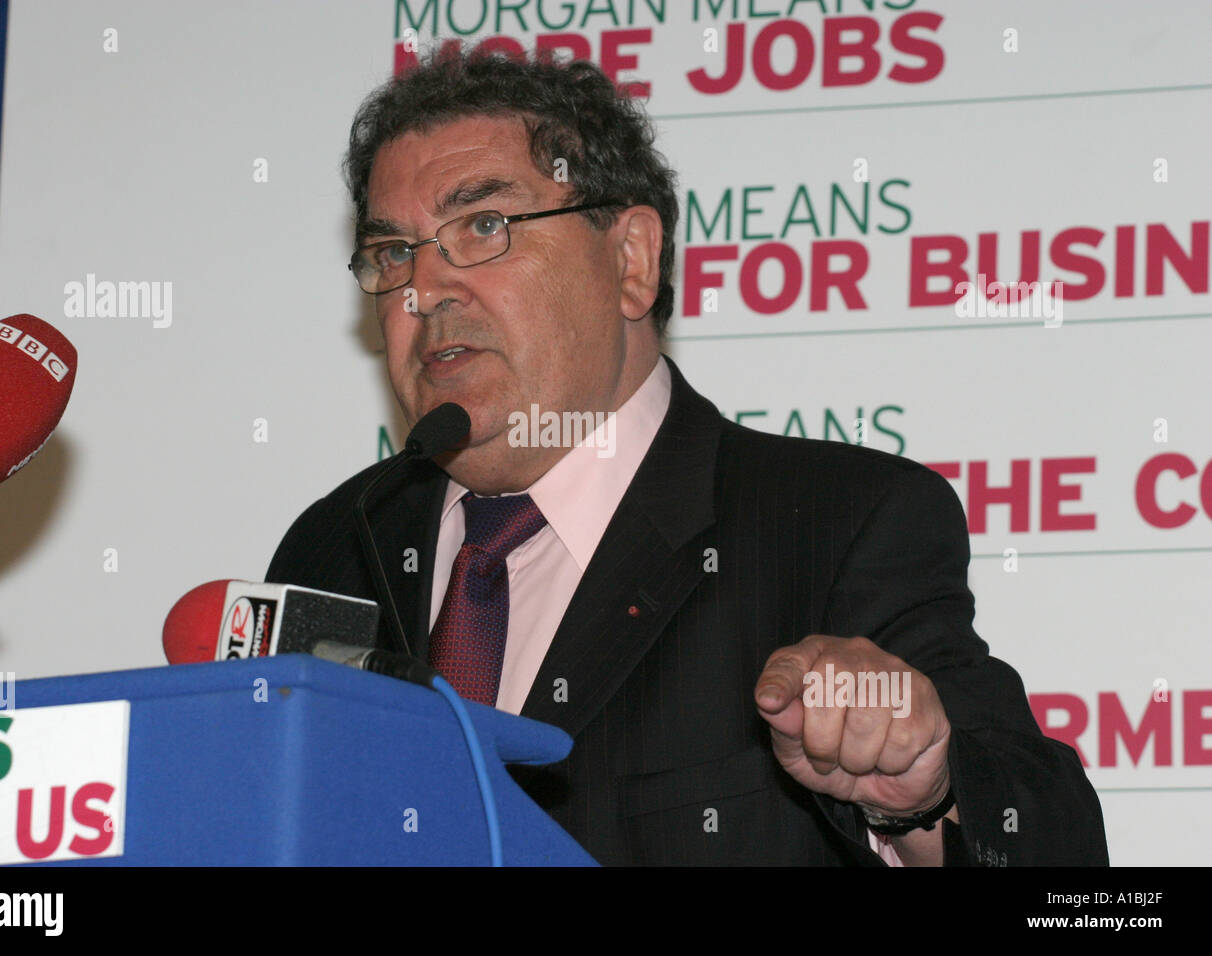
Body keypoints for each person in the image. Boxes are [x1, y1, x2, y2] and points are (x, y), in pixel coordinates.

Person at [266, 50, 1108, 866]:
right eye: (392, 253)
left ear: (631, 260)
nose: (424, 289)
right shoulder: (337, 546)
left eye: (484, 226)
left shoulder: (838, 525)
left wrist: (924, 796)